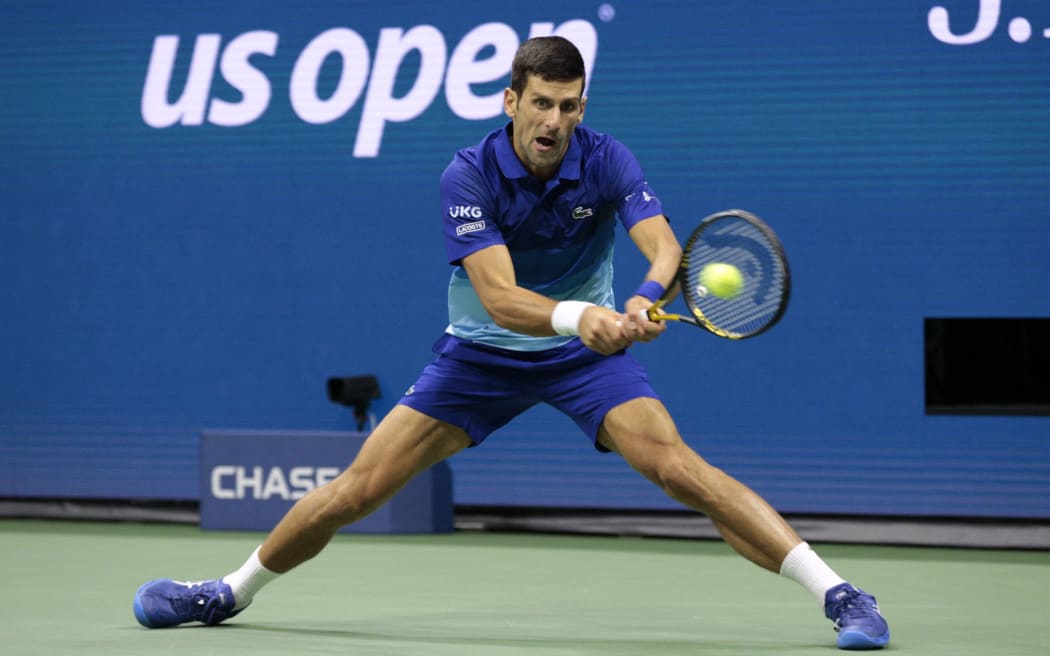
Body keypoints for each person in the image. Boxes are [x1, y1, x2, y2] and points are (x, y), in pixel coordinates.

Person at [133, 36, 890, 650]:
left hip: (584, 362)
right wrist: (578, 317)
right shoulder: (467, 176)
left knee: (682, 471)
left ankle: (841, 595)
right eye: (540, 105)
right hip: (481, 356)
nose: (553, 121)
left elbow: (663, 248)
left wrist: (641, 299)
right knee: (358, 491)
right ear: (511, 102)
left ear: (581, 106)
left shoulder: (608, 157)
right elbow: (498, 297)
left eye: (567, 106)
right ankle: (227, 594)